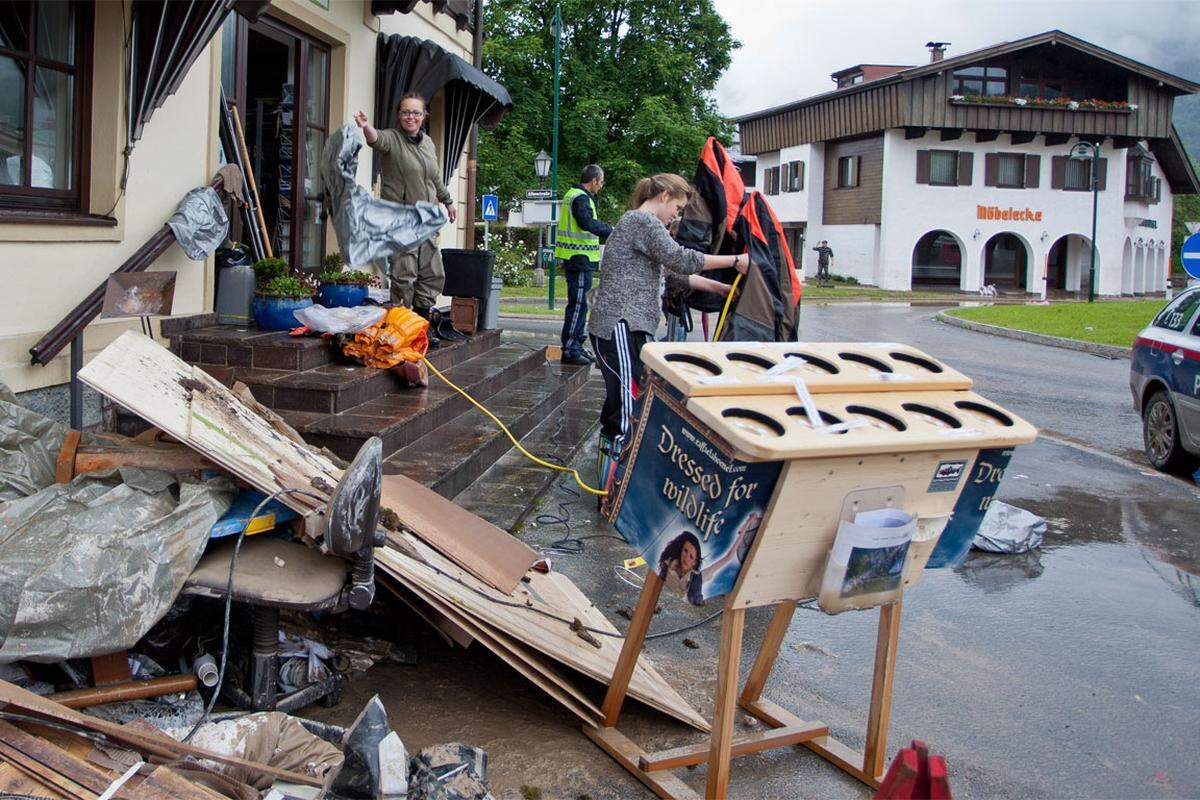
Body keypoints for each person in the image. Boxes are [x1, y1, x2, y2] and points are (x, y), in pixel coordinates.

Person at [588, 173, 749, 488]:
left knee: (627, 399)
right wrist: (735, 261)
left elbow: (674, 273)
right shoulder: (642, 222)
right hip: (620, 324)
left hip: (631, 326)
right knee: (626, 404)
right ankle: (611, 488)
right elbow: (681, 258)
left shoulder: (640, 228)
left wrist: (721, 288)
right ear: (663, 195)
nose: (677, 215)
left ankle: (610, 481)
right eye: (677, 207)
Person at [355, 95, 456, 343]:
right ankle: (401, 329)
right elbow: (376, 139)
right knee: (405, 274)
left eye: (416, 113)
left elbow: (434, 177)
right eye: (406, 112)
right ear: (399, 115)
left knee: (431, 273)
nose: (411, 117)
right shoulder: (393, 139)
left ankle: (421, 327)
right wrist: (366, 127)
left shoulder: (428, 144)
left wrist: (448, 201)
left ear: (424, 116)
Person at [555, 165, 612, 366]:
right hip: (579, 258)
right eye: (601, 181)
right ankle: (571, 349)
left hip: (578, 258)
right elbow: (587, 223)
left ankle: (576, 345)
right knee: (578, 304)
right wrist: (612, 231)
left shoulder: (576, 195)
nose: (601, 186)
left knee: (580, 304)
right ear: (594, 180)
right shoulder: (580, 197)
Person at [657, 513, 763, 605]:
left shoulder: (698, 577)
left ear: (694, 563)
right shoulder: (669, 563)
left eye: (691, 557)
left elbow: (728, 557)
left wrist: (749, 523)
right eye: (685, 550)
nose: (686, 557)